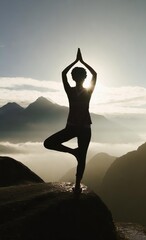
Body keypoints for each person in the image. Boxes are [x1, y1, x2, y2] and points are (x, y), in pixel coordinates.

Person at [44, 48, 97, 193]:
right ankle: (75, 159)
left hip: (75, 127)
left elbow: (63, 74)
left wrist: (76, 61)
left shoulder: (72, 91)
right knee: (82, 156)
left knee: (49, 143)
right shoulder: (87, 91)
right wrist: (81, 62)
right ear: (83, 78)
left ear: (74, 78)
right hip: (82, 127)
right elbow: (95, 74)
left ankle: (78, 185)